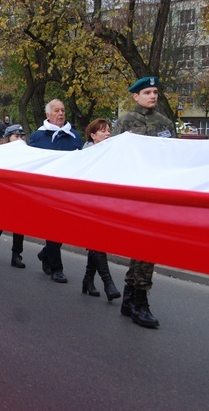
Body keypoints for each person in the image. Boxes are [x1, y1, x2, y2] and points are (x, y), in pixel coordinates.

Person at [113, 76, 176, 328]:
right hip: (134, 192)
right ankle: (139, 301)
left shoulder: (165, 123)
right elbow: (115, 156)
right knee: (143, 245)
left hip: (156, 192)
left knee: (147, 246)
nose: (153, 96)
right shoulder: (125, 122)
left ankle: (131, 299)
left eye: (155, 92)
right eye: (147, 92)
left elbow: (174, 157)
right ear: (135, 97)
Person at [28, 99, 83, 283]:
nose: (60, 114)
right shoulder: (38, 136)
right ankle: (57, 268)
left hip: (67, 191)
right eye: (56, 111)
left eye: (63, 111)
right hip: (46, 192)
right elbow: (32, 163)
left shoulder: (74, 136)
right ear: (48, 115)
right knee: (53, 228)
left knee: (65, 228)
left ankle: (45, 254)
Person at [81, 119, 121, 301]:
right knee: (98, 243)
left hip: (106, 205)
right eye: (103, 131)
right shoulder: (86, 154)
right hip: (89, 205)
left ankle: (88, 280)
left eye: (109, 130)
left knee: (97, 243)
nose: (107, 134)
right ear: (93, 135)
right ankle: (108, 283)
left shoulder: (112, 154)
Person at [0, 124, 27, 268]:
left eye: (21, 136)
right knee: (0, 223)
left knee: (19, 225)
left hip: (20, 193)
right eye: (16, 136)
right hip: (4, 193)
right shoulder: (0, 153)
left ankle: (16, 255)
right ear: (8, 138)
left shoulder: (28, 153)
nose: (19, 139)